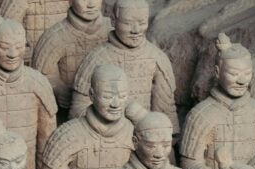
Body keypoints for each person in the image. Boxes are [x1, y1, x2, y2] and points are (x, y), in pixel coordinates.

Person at [179, 32, 255, 169]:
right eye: (234, 73)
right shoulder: (201, 115)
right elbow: (188, 163)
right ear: (217, 72)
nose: (241, 80)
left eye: (247, 73)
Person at [70, 0, 177, 132]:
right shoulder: (98, 58)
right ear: (114, 21)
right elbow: (77, 111)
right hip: (105, 137)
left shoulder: (156, 57)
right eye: (127, 23)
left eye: (142, 23)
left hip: (145, 138)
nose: (136, 30)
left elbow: (165, 111)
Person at [0, 13, 57, 169]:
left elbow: (47, 140)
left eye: (19, 47)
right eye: (4, 47)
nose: (12, 54)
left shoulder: (38, 82)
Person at [32, 0, 110, 113]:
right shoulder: (55, 36)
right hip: (69, 111)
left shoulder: (112, 29)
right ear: (70, 1)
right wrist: (57, 88)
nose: (91, 4)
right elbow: (40, 75)